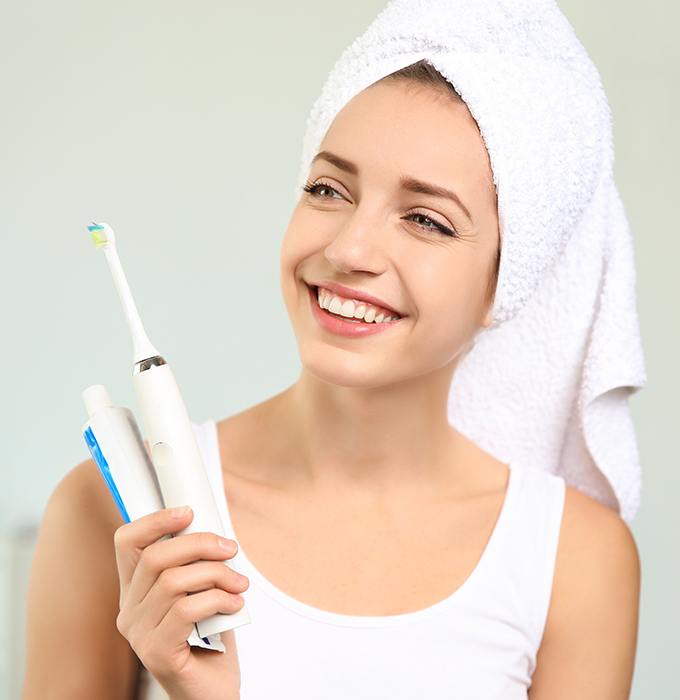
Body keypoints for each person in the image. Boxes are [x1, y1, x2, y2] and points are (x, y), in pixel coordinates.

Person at [21, 55, 640, 699]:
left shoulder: (577, 560)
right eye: (328, 190)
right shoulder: (118, 514)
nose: (347, 249)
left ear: (504, 284)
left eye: (426, 219)